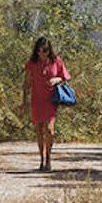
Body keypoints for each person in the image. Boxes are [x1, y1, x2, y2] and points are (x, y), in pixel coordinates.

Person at [22, 37, 70, 172]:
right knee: (39, 130)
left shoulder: (57, 61)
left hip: (50, 100)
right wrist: (24, 100)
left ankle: (48, 157)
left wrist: (56, 79)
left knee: (49, 130)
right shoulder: (31, 63)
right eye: (39, 51)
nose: (42, 53)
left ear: (50, 50)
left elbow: (64, 77)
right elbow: (26, 83)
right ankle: (42, 158)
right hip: (36, 100)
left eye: (45, 51)